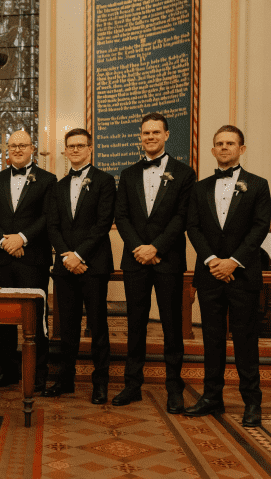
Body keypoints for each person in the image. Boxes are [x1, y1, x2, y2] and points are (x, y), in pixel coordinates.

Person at [185, 125, 271, 427]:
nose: (224, 147)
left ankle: (251, 402)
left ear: (241, 149)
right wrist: (212, 261)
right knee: (212, 339)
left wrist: (233, 262)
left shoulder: (259, 186)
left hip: (242, 275)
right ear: (212, 150)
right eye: (219, 143)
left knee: (246, 339)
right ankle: (212, 397)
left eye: (230, 143)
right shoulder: (199, 188)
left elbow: (260, 227)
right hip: (210, 274)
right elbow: (193, 227)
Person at [113, 112, 196, 413]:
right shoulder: (128, 173)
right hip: (136, 260)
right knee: (135, 323)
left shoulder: (184, 174)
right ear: (141, 136)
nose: (150, 137)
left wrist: (156, 247)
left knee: (172, 326)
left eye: (155, 132)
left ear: (166, 135)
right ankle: (132, 384)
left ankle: (174, 387)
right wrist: (139, 248)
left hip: (167, 259)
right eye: (145, 133)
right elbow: (121, 216)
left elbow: (181, 217)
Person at [0, 130, 56, 392]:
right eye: (13, 146)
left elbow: (48, 216)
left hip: (32, 258)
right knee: (5, 319)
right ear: (7, 150)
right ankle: (9, 371)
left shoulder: (48, 180)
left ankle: (38, 373)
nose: (18, 149)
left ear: (32, 148)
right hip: (2, 259)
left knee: (36, 318)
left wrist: (22, 239)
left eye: (23, 145)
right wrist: (4, 241)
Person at [43, 128, 116, 404]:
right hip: (64, 266)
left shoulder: (105, 181)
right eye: (70, 146)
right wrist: (66, 256)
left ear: (90, 148)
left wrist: (79, 256)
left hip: (93, 265)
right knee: (67, 327)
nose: (75, 150)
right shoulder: (58, 186)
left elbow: (103, 224)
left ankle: (100, 384)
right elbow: (52, 225)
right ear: (65, 150)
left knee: (98, 326)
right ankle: (65, 380)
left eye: (80, 145)